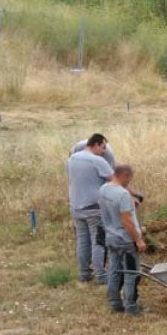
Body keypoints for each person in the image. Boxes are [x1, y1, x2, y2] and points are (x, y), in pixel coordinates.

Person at [99, 165, 146, 316]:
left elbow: (113, 210)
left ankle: (114, 303)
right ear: (124, 176)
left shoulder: (103, 189)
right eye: (129, 179)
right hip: (126, 240)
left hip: (111, 238)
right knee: (131, 273)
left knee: (114, 271)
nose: (129, 182)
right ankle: (131, 307)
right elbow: (127, 221)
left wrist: (132, 206)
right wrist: (138, 240)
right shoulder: (123, 194)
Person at [67, 133, 114, 285]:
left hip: (76, 207)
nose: (104, 151)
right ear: (96, 144)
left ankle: (84, 273)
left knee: (82, 241)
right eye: (103, 147)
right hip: (94, 208)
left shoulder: (71, 159)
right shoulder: (98, 161)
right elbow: (114, 181)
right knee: (98, 242)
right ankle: (101, 275)